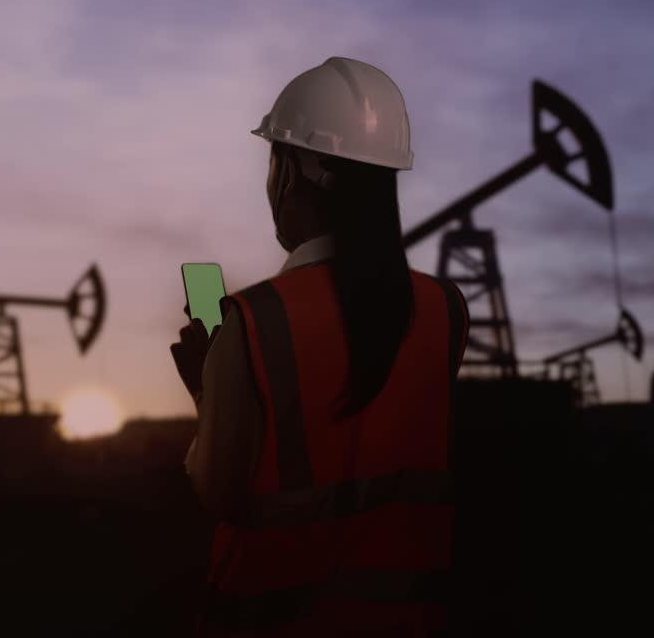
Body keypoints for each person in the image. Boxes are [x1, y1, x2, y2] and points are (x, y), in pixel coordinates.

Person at [170, 56, 469, 636]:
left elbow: (220, 492)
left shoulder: (253, 322)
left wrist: (209, 387)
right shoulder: (446, 309)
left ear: (300, 173)